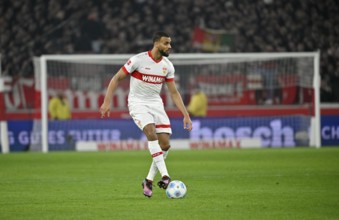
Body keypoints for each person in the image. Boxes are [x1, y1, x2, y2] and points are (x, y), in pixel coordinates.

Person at [100, 32, 193, 198]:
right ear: (156, 43)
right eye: (166, 43)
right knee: (151, 133)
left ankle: (148, 180)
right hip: (138, 103)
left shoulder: (167, 66)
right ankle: (165, 176)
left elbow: (173, 92)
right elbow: (116, 78)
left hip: (156, 104)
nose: (169, 46)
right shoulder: (138, 60)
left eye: (170, 43)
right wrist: (107, 102)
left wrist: (185, 114)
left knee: (165, 145)